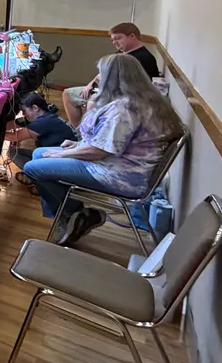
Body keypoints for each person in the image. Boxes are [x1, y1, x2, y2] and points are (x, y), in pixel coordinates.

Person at [23, 52, 184, 247]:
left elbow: (99, 151)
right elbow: (113, 143)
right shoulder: (144, 100)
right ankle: (73, 215)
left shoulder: (124, 109)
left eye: (101, 74)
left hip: (120, 175)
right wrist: (77, 146)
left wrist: (64, 153)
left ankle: (75, 215)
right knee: (39, 154)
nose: (98, 78)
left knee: (33, 167)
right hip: (126, 166)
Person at [63, 22, 160, 126]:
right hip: (104, 88)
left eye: (118, 38)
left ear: (132, 36)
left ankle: (82, 132)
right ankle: (78, 128)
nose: (114, 42)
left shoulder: (140, 58)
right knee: (67, 93)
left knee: (89, 102)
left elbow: (128, 86)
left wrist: (98, 92)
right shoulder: (122, 53)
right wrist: (90, 84)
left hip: (121, 95)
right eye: (113, 40)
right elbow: (103, 72)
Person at [5, 92, 75, 172]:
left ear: (35, 108)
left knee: (14, 154)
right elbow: (13, 124)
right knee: (14, 152)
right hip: (62, 154)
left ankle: (41, 175)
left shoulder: (42, 122)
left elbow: (14, 137)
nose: (23, 114)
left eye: (24, 111)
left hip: (64, 160)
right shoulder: (46, 115)